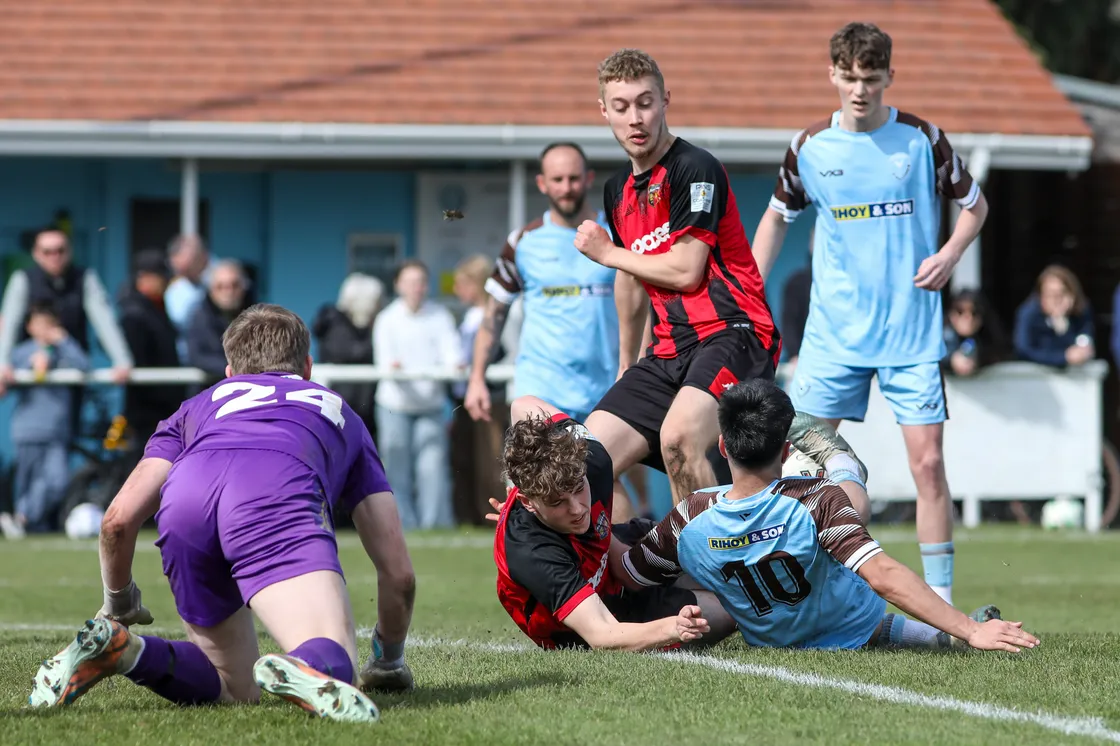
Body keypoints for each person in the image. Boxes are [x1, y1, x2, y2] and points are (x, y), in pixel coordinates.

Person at [30, 304, 416, 723]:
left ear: (230, 372)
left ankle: (123, 649)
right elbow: (398, 574)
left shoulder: (197, 405)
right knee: (332, 656)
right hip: (273, 491)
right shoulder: (340, 412)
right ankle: (306, 663)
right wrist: (389, 661)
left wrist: (118, 599)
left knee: (232, 687)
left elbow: (117, 520)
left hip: (185, 502)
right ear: (307, 367)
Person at [749, 22, 990, 605]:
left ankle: (942, 606)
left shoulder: (921, 139)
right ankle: (793, 593)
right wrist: (750, 291)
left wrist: (950, 253)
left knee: (928, 466)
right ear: (832, 74)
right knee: (797, 463)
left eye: (872, 79)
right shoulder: (809, 147)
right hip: (834, 337)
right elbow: (777, 217)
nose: (860, 91)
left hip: (911, 336)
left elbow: (975, 205)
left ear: (889, 78)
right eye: (850, 78)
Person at [618, 379, 1041, 654]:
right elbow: (885, 576)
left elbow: (632, 573)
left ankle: (938, 637)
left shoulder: (689, 514)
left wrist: (585, 526)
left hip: (773, 637)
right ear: (785, 453)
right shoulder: (815, 497)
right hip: (850, 623)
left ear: (723, 448)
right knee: (848, 500)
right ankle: (841, 459)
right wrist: (971, 628)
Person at [571, 49, 781, 509]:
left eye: (645, 102)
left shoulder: (694, 168)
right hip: (668, 351)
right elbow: (630, 275)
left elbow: (686, 271)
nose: (635, 118)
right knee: (579, 464)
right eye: (621, 106)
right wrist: (629, 360)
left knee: (679, 438)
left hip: (734, 332)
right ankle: (625, 576)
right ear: (604, 111)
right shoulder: (616, 191)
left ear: (666, 100)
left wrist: (608, 253)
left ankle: (710, 578)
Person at [492, 395, 734, 651]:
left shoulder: (592, 460)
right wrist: (673, 627)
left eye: (578, 489)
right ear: (528, 502)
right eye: (556, 502)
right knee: (729, 611)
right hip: (597, 617)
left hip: (613, 558)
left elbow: (522, 404)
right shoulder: (532, 551)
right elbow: (603, 634)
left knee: (725, 565)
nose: (577, 509)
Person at [373, 259, 461, 530]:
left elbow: (453, 354)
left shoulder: (441, 316)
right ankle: (402, 524)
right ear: (398, 285)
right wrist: (395, 368)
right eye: (411, 282)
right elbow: (385, 362)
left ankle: (433, 525)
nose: (417, 288)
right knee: (396, 467)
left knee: (432, 467)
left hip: (431, 405)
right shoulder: (386, 319)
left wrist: (455, 364)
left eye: (421, 282)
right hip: (393, 406)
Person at [2, 302, 89, 537]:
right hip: (27, 429)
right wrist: (28, 365)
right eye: (39, 324)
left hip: (57, 430)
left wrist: (64, 341)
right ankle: (27, 522)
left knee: (57, 481)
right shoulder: (20, 352)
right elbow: (7, 375)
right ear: (29, 327)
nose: (44, 329)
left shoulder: (65, 349)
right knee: (27, 482)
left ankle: (22, 517)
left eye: (49, 324)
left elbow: (84, 365)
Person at [1013, 264, 1095, 369]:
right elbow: (1023, 350)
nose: (1056, 300)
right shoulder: (1029, 314)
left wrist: (1065, 324)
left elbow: (1084, 340)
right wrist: (1063, 357)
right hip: (1035, 376)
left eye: (1062, 294)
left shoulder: (1080, 310)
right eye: (1051, 294)